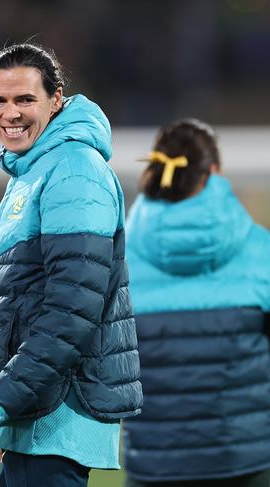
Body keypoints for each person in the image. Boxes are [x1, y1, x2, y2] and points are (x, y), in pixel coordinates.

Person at [0, 43, 143, 487]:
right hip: (36, 410)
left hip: (61, 408)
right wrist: (8, 409)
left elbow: (72, 307)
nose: (9, 113)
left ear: (56, 100)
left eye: (24, 100)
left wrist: (1, 400)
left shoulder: (75, 169)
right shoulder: (31, 172)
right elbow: (19, 301)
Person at [121, 119, 270, 487]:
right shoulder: (260, 251)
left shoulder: (118, 258)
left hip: (153, 465)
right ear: (214, 172)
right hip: (247, 461)